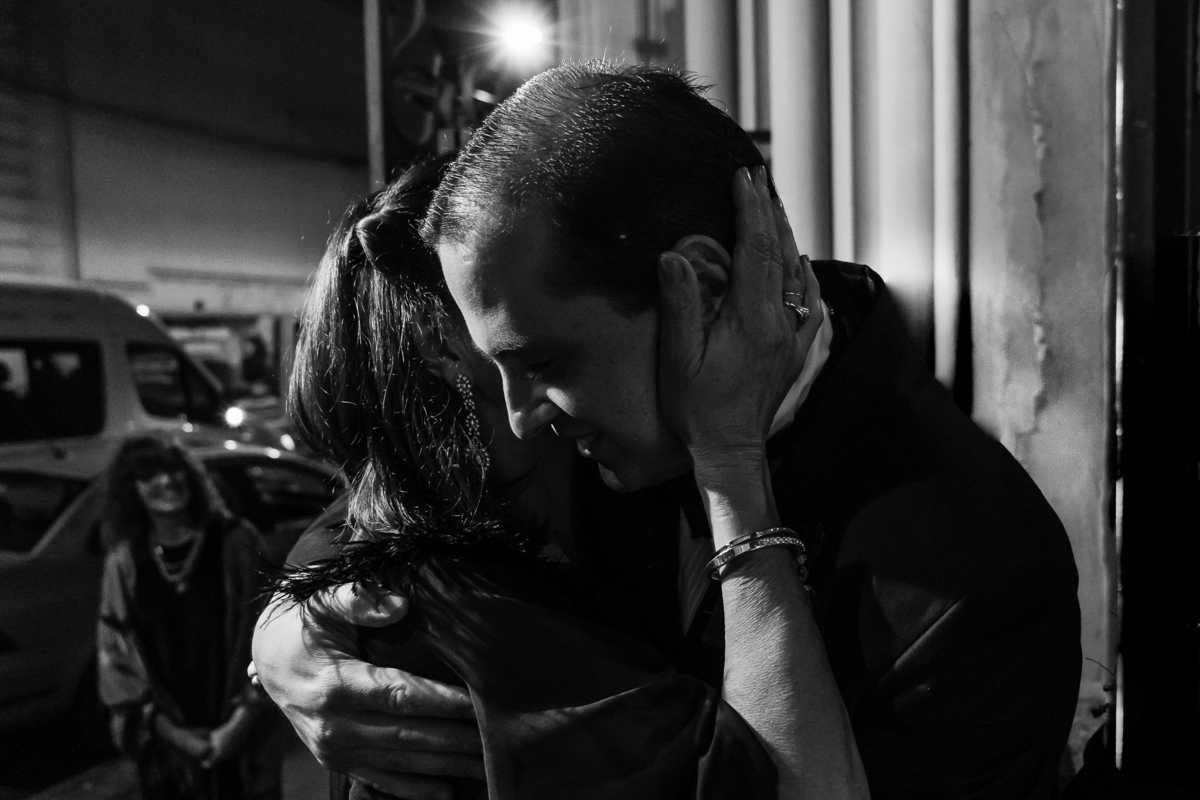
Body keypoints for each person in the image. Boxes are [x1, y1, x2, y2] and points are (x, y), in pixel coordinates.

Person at [254, 62, 1081, 799]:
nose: (516, 415)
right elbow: (404, 490)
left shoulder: (980, 576)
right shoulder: (595, 419)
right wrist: (292, 633)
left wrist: (730, 471)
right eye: (492, 372)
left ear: (704, 290)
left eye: (540, 362)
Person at [258, 156, 858, 799]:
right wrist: (732, 463)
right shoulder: (474, 618)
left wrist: (283, 616)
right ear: (446, 343)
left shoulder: (547, 497)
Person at [97, 436, 280, 800]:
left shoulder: (237, 541)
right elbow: (115, 657)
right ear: (131, 489)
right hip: (170, 751)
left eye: (173, 469)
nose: (166, 481)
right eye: (149, 474)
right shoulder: (125, 563)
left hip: (243, 738)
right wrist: (170, 732)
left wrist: (239, 723)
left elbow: (275, 635)